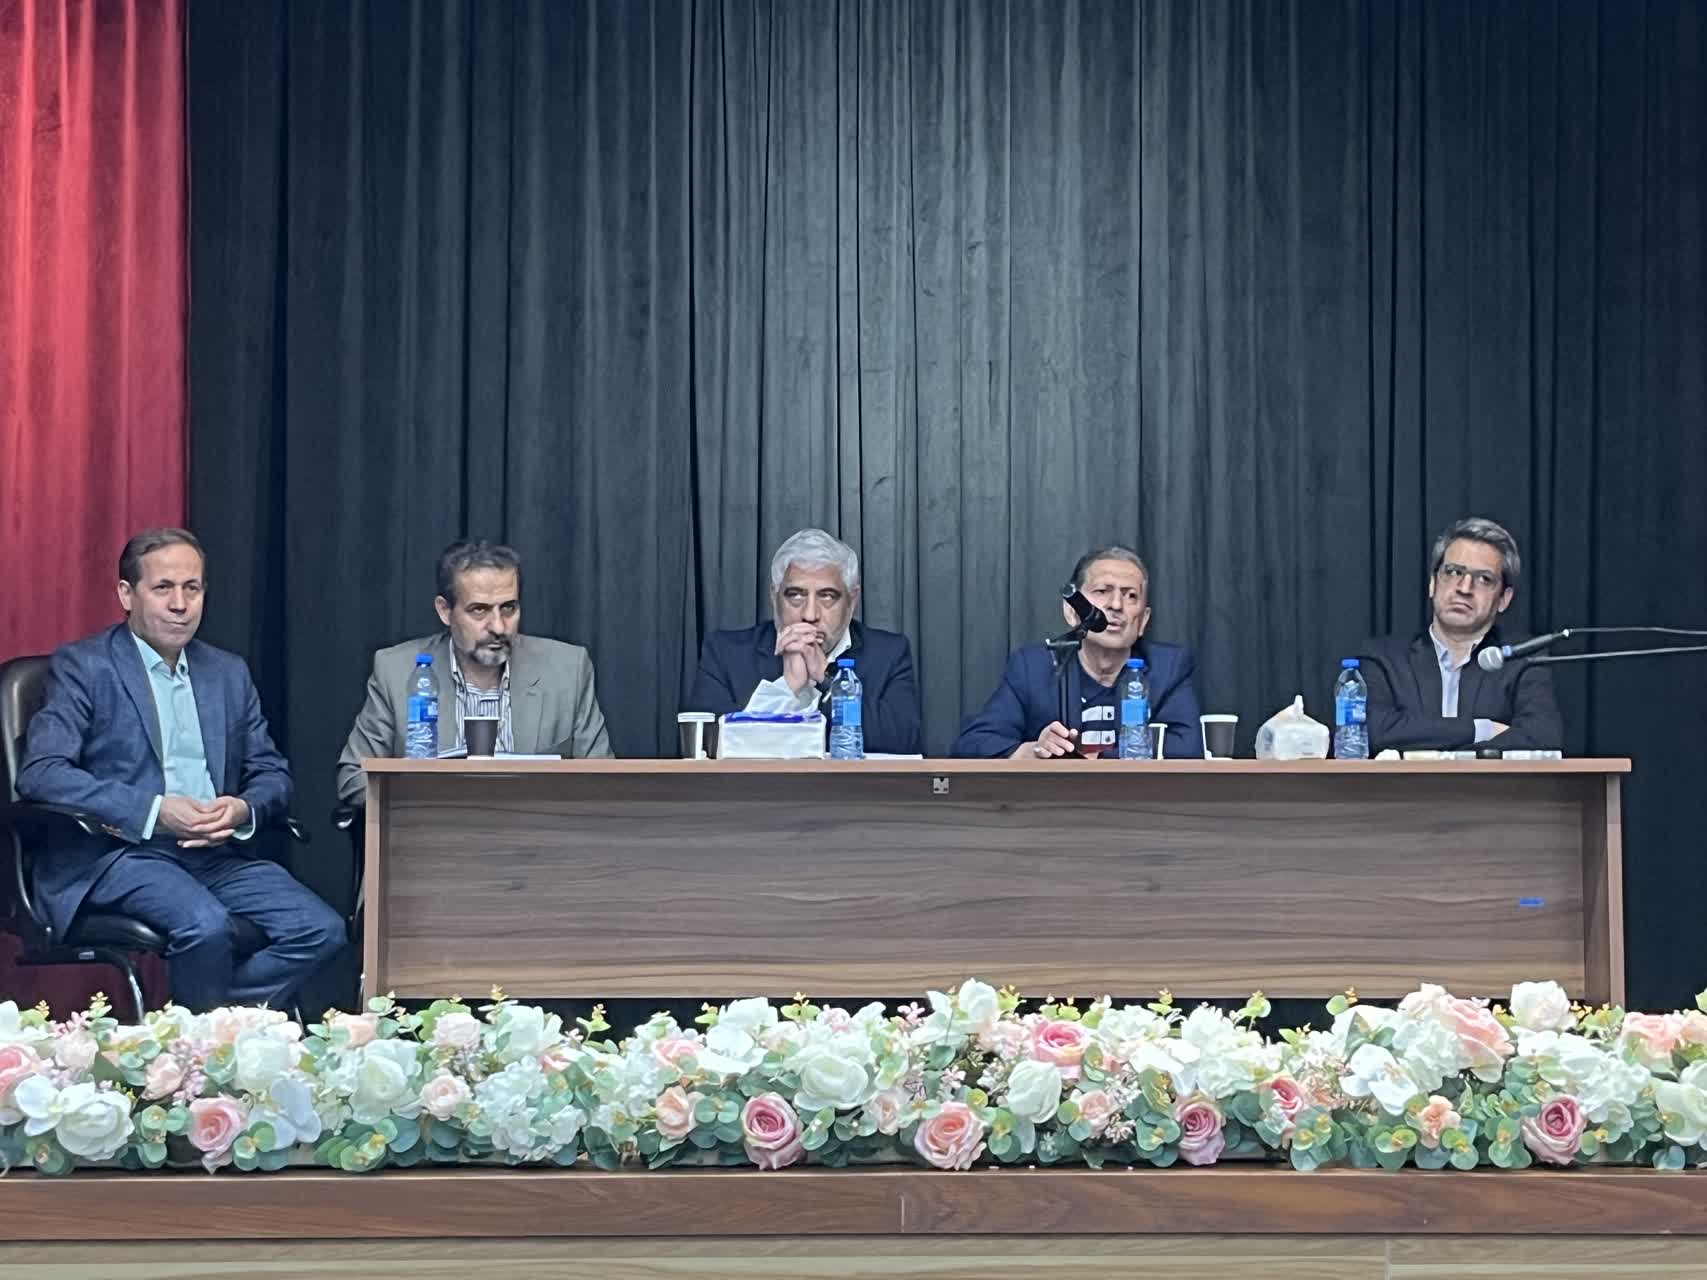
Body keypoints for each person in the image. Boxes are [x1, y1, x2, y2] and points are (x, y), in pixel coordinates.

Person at [17, 529, 345, 1011]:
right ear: (127, 594)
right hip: (120, 853)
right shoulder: (85, 667)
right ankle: (204, 1043)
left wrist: (242, 809)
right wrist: (154, 811)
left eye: (192, 588)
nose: (180, 604)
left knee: (321, 930)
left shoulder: (227, 673)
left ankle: (211, 1027)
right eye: (163, 588)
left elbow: (271, 772)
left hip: (214, 854)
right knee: (205, 925)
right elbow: (43, 773)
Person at [337, 539, 611, 804]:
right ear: (445, 611)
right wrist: (434, 800)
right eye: (479, 610)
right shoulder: (396, 671)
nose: (498, 627)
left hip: (540, 829)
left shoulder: (567, 669)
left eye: (509, 608)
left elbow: (605, 781)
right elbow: (353, 779)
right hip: (434, 830)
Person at [953, 546, 1205, 759]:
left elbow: (1187, 749)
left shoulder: (1168, 668)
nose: (1116, 605)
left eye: (1130, 596)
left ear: (1143, 620)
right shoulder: (1033, 667)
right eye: (1102, 591)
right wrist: (1033, 751)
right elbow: (973, 744)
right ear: (1072, 611)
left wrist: (1089, 760)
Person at [686, 528, 922, 755]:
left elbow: (903, 742)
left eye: (827, 597)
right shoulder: (725, 654)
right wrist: (787, 687)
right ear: (774, 597)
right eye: (796, 596)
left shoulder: (889, 654)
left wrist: (826, 678)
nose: (810, 615)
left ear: (852, 600)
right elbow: (705, 746)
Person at [1358, 516, 1563, 752]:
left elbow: (1542, 737)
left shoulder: (1523, 659)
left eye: (1484, 579)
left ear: (1504, 599)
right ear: (1433, 583)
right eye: (1454, 572)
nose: (1464, 588)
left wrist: (1451, 759)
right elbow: (1371, 732)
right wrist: (1481, 729)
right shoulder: (1383, 658)